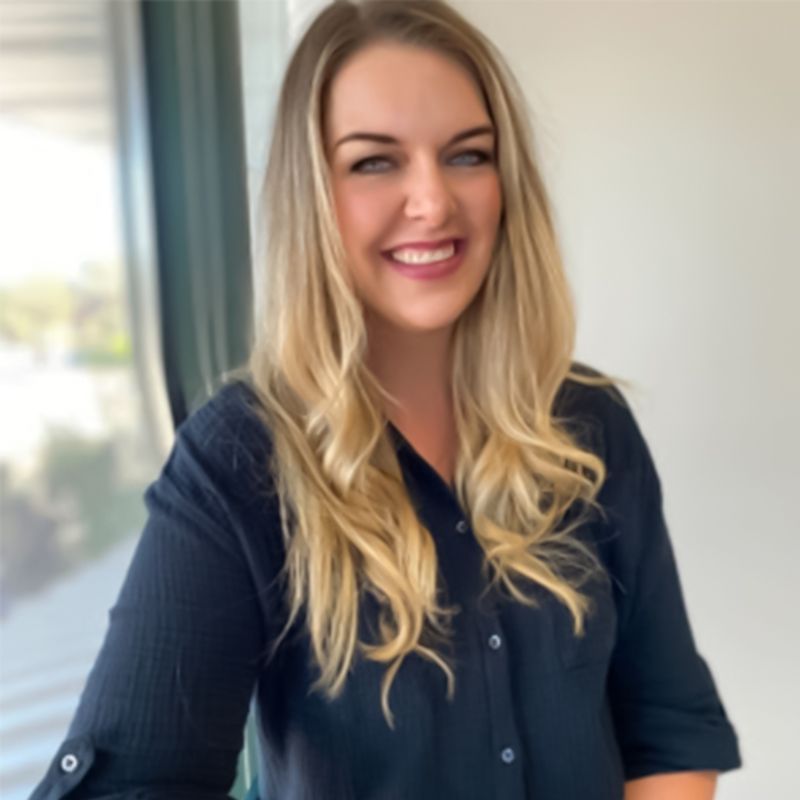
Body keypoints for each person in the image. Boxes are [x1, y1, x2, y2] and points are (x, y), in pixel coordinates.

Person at [29, 1, 740, 799]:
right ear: (312, 194)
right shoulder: (240, 459)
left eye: (468, 155)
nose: (433, 200)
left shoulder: (590, 424)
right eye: (374, 162)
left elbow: (667, 725)